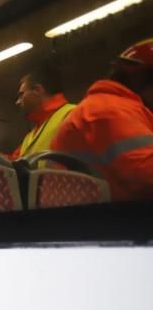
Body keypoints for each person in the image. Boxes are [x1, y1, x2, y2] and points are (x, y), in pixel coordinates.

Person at [52, 39, 153, 201]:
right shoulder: (112, 111)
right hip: (121, 222)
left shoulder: (103, 107)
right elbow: (146, 175)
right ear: (141, 79)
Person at [9, 64, 76, 161]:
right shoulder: (29, 138)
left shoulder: (73, 114)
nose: (18, 102)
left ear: (37, 90)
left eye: (21, 94)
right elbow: (10, 165)